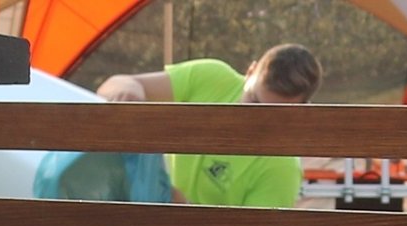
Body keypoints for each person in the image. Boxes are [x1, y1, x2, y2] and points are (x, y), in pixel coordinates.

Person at [96, 43, 320, 208]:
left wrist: (186, 214)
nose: (255, 117)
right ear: (249, 72)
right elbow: (117, 83)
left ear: (297, 110)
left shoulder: (282, 169)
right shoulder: (212, 77)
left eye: (273, 115)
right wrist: (130, 92)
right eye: (253, 100)